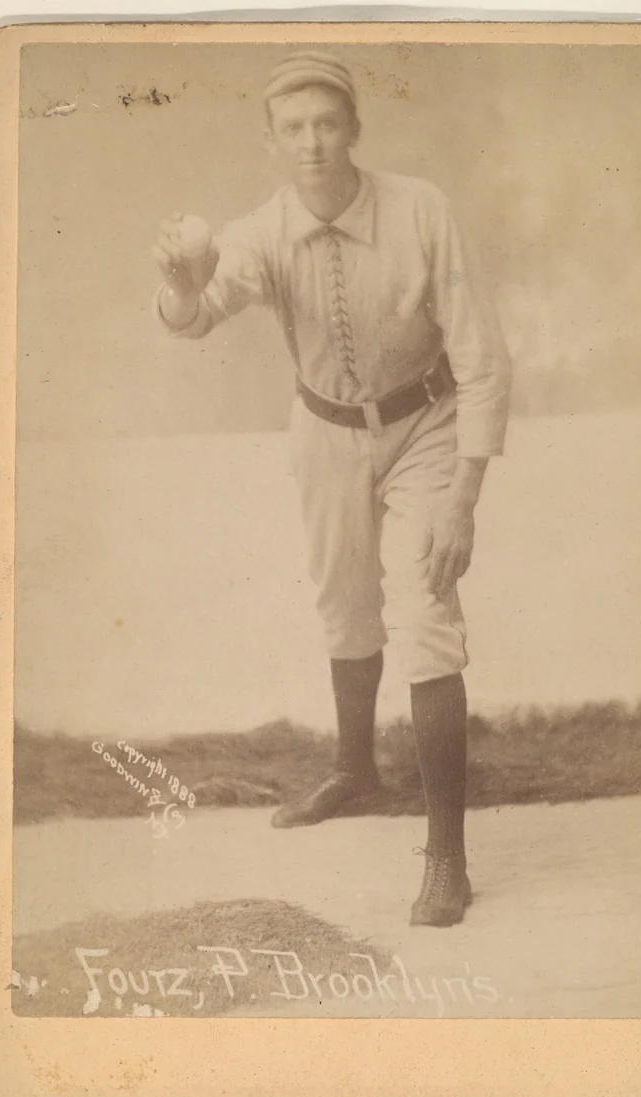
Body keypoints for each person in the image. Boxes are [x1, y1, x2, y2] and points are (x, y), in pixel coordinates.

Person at [152, 51, 512, 927]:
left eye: (326, 124)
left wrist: (465, 492)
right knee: (344, 605)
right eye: (293, 129)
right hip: (323, 433)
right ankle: (357, 771)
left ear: (354, 128)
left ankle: (447, 860)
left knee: (425, 620)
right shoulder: (261, 231)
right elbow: (197, 316)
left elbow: (482, 358)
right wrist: (178, 285)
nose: (312, 143)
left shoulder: (421, 209)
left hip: (426, 426)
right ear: (271, 141)